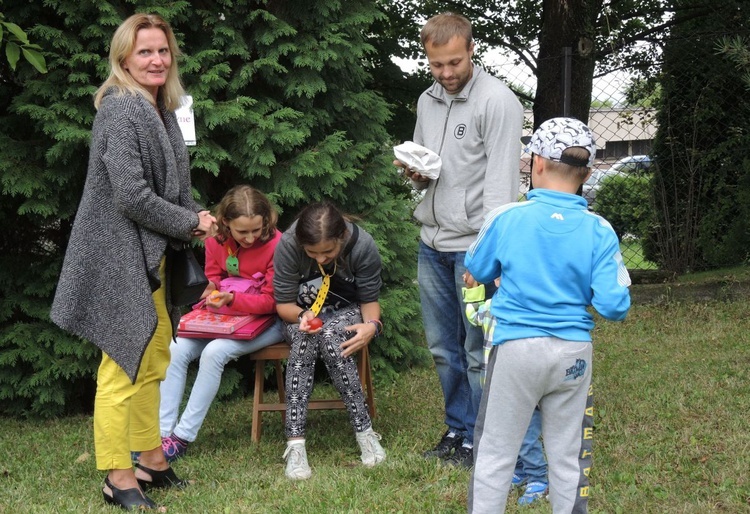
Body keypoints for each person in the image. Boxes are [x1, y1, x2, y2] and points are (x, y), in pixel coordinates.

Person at [49, 13, 216, 511]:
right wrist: (192, 223)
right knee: (122, 364)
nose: (156, 60)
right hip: (119, 256)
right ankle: (117, 477)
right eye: (145, 52)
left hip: (151, 257)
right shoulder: (122, 109)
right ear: (124, 58)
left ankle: (151, 460)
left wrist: (191, 218)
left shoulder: (159, 108)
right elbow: (131, 196)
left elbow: (161, 190)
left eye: (163, 51)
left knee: (152, 360)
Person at [464, 117, 632, 513]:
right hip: (573, 355)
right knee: (568, 454)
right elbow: (615, 306)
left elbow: (477, 266)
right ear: (587, 173)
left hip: (517, 349)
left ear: (536, 162)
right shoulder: (600, 230)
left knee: (495, 453)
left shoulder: (507, 218)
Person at [393, 12, 524, 468]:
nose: (446, 74)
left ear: (472, 50)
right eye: (436, 65)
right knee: (442, 349)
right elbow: (427, 173)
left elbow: (502, 191)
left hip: (474, 247)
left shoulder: (499, 102)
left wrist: (487, 257)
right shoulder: (427, 101)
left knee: (476, 349)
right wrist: (414, 175)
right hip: (432, 242)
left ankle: (484, 438)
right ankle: (458, 429)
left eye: (454, 63)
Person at [159, 186, 284, 461]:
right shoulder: (215, 240)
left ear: (266, 220)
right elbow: (212, 278)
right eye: (243, 232)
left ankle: (182, 437)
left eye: (256, 230)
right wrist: (210, 291)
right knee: (175, 348)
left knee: (215, 353)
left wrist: (230, 299)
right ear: (226, 223)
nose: (250, 238)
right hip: (224, 317)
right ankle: (161, 435)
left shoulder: (277, 244)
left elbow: (272, 301)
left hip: (268, 321)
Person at [273, 202, 386, 480]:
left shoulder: (362, 245)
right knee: (303, 338)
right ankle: (295, 445)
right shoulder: (288, 245)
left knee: (331, 337)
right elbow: (283, 304)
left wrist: (372, 326)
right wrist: (302, 316)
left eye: (328, 252)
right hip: (298, 315)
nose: (320, 259)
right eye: (312, 253)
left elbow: (369, 301)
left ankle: (365, 432)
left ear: (342, 239)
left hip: (346, 313)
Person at [462, 277, 549, 505]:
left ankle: (538, 476)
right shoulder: (491, 307)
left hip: (524, 387)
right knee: (506, 434)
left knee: (527, 434)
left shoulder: (532, 309)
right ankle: (519, 470)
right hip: (496, 387)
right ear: (498, 281)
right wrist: (472, 290)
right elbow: (473, 316)